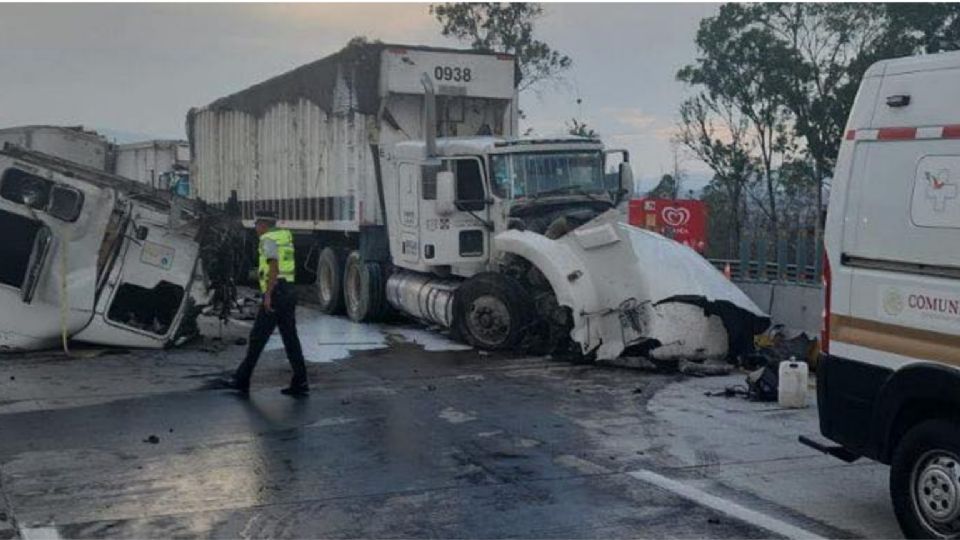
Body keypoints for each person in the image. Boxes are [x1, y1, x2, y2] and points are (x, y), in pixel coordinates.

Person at [223, 210, 309, 396]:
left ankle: (241, 380)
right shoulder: (284, 236)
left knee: (257, 337)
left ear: (263, 224)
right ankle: (300, 382)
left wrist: (268, 295)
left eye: (256, 224)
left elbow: (273, 267)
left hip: (277, 293)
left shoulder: (268, 239)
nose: (255, 228)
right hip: (288, 292)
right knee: (290, 339)